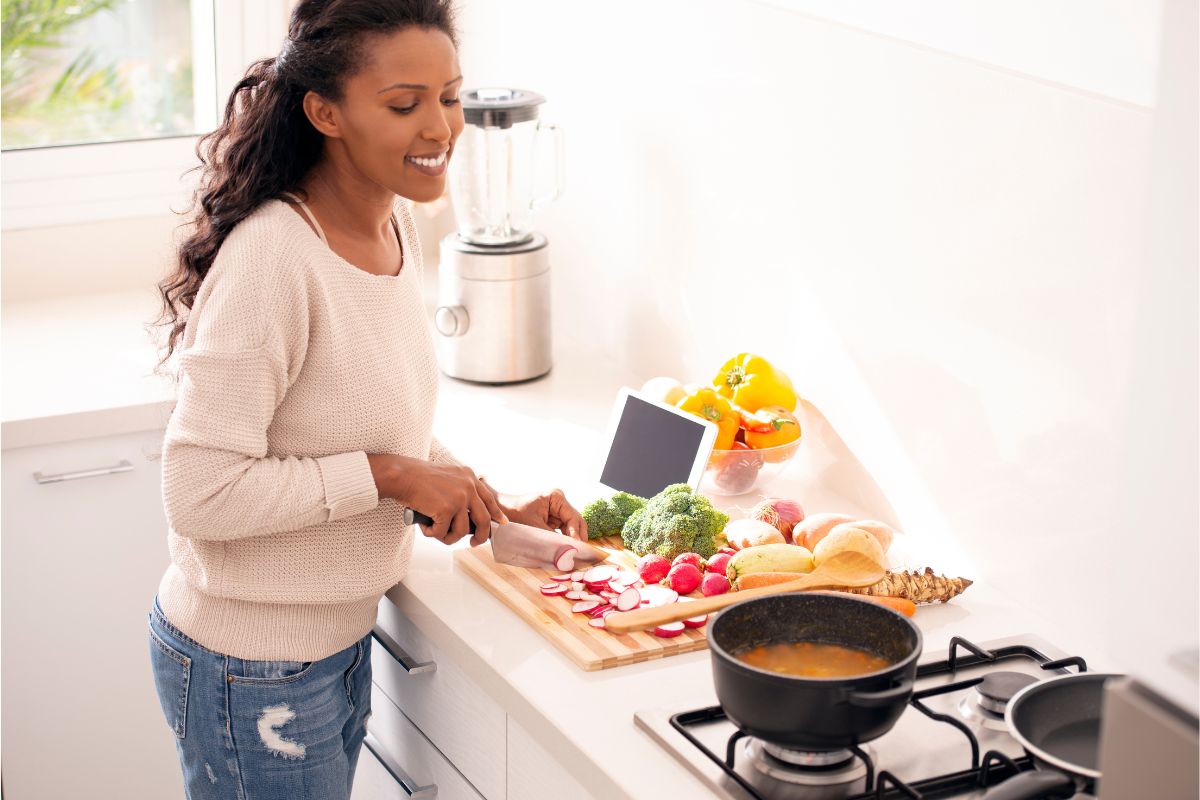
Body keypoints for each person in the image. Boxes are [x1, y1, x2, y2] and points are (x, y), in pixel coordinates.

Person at [147, 2, 586, 797]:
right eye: (403, 104)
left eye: (449, 97)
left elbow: (376, 421)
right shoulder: (275, 260)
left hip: (331, 642)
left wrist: (490, 501)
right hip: (251, 668)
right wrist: (391, 477)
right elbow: (198, 492)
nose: (440, 128)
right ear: (326, 113)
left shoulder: (394, 229)